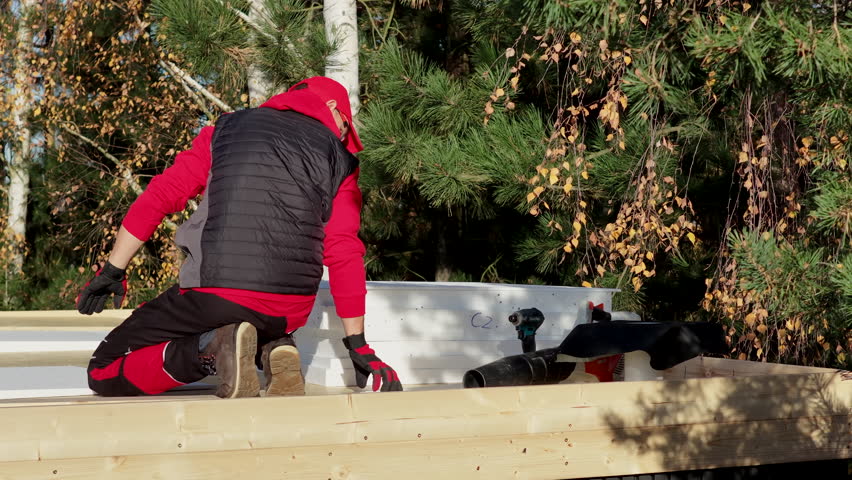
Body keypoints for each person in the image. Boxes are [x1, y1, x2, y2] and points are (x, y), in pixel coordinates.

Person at [76, 76, 403, 398]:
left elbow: (160, 197)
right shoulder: (341, 161)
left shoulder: (225, 130)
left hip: (217, 294)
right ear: (330, 106)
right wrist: (358, 345)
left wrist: (113, 270)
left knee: (103, 368)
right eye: (345, 126)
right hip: (288, 312)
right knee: (253, 317)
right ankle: (274, 346)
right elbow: (343, 249)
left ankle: (209, 350)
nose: (343, 137)